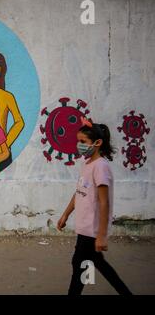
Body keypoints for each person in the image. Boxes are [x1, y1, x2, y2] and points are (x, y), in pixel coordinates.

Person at [57, 117, 132, 295]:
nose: (79, 145)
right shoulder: (87, 164)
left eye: (83, 142)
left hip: (92, 230)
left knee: (80, 265)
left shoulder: (101, 167)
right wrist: (65, 215)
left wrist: (101, 236)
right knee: (95, 264)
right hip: (84, 228)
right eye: (78, 141)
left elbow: (104, 202)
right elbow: (79, 193)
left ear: (97, 143)